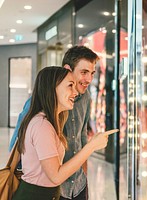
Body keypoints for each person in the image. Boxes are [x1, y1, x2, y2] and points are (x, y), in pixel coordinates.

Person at [9, 45, 101, 200]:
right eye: (84, 72)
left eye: (92, 73)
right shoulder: (39, 112)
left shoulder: (85, 98)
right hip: (54, 188)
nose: (89, 80)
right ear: (67, 69)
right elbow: (18, 147)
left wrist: (83, 174)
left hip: (78, 185)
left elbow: (81, 137)